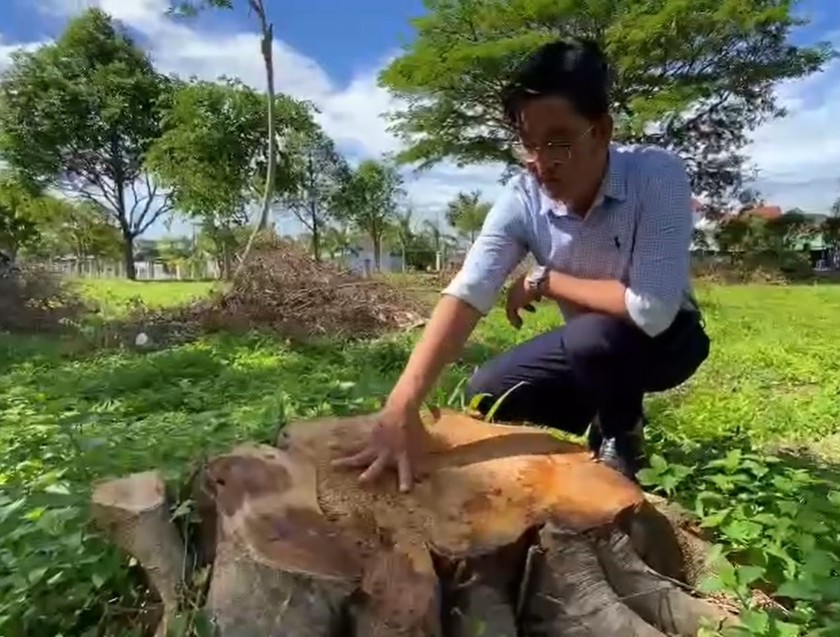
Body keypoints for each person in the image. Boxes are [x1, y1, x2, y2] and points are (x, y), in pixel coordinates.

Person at [333, 37, 710, 491]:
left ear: (602, 131)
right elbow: (469, 289)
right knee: (488, 393)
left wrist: (546, 280)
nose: (542, 163)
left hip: (670, 343)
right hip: (592, 347)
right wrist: (402, 405)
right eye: (530, 145)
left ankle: (622, 432)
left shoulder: (656, 175)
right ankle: (598, 412)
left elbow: (652, 310)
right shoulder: (523, 198)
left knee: (592, 337)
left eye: (559, 142)